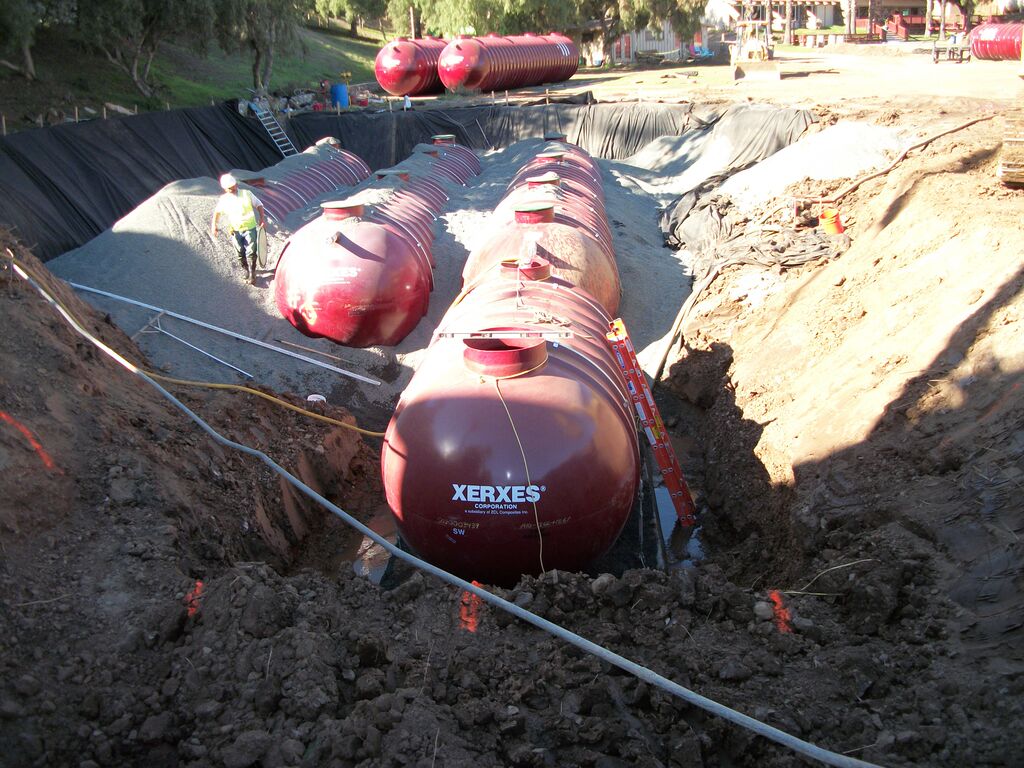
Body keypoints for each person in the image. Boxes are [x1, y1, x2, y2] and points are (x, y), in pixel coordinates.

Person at [210, 173, 266, 285]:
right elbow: (217, 212)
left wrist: (262, 218)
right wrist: (214, 225)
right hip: (235, 230)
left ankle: (252, 274)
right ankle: (246, 270)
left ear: (235, 184)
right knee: (240, 252)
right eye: (229, 188)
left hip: (250, 227)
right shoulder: (224, 199)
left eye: (233, 186)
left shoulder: (246, 194)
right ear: (225, 188)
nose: (232, 189)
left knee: (251, 251)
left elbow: (259, 204)